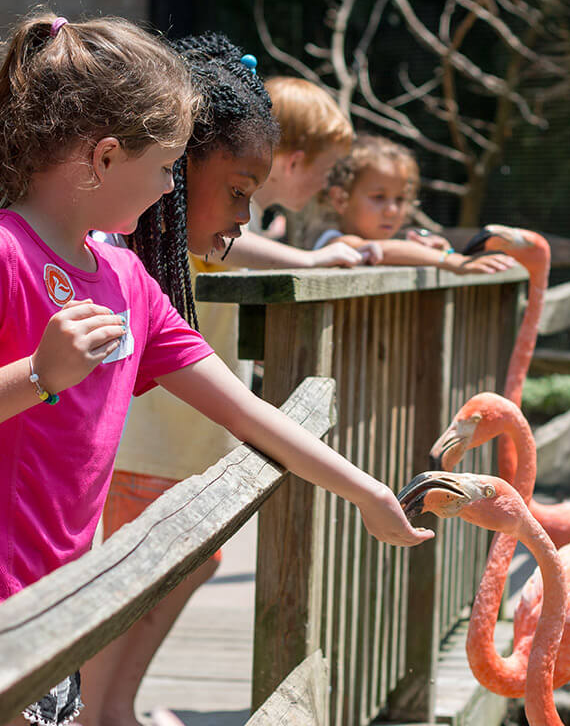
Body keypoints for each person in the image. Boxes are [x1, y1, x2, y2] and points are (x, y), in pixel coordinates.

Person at [0, 14, 431, 726]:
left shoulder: (126, 278)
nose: (171, 191)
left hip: (55, 611)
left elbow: (243, 411)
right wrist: (35, 377)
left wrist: (363, 491)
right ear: (104, 159)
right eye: (163, 168)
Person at [80, 37, 375, 726]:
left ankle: (110, 705)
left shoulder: (164, 252)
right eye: (238, 191)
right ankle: (97, 709)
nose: (244, 214)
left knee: (175, 568)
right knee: (132, 580)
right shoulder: (146, 244)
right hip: (149, 446)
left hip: (187, 441)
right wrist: (310, 259)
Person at [320, 134, 513, 273]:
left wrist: (441, 250)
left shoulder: (401, 244)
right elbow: (380, 251)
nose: (392, 210)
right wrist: (452, 260)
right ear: (340, 199)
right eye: (378, 197)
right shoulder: (334, 242)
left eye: (401, 199)